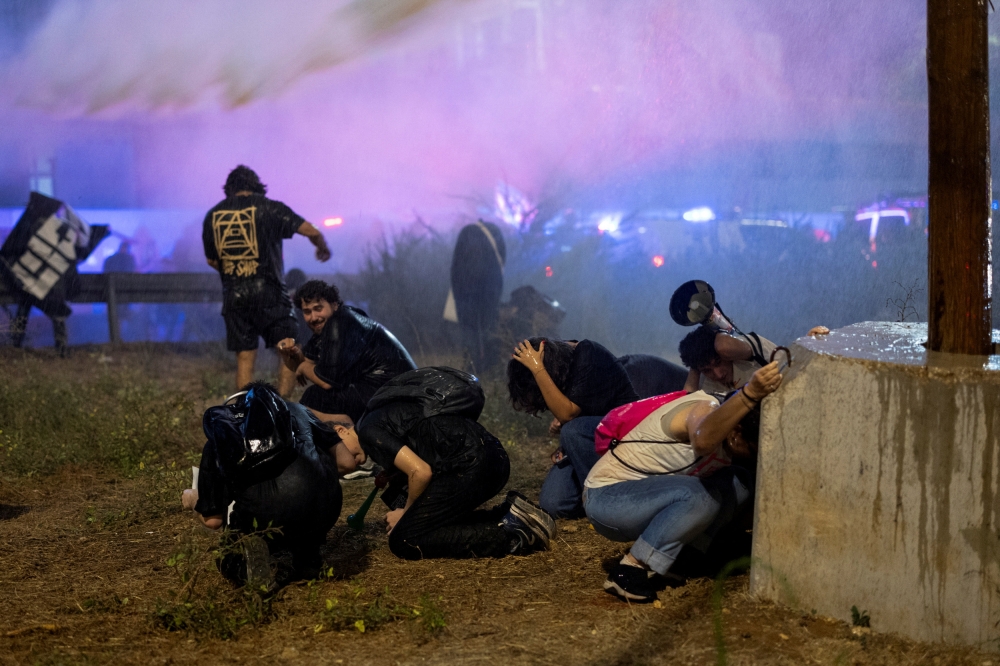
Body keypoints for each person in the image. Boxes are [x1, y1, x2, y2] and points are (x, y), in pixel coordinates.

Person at [584, 361, 784, 603]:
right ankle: (629, 569)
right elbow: (702, 441)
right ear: (736, 433)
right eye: (751, 448)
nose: (754, 455)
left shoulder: (732, 427)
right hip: (607, 499)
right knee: (699, 496)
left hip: (649, 498)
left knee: (740, 482)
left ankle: (685, 558)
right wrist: (750, 393)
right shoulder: (703, 408)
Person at [330, 366, 556, 560]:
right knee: (418, 514)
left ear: (340, 430)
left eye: (334, 454)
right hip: (490, 457)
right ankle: (507, 514)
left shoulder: (368, 430)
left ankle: (512, 535)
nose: (340, 466)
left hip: (470, 464)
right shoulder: (378, 417)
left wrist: (405, 515)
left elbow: (420, 472)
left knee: (405, 539)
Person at [181, 382, 359, 586]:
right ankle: (308, 556)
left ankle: (246, 564)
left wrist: (194, 499)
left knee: (228, 557)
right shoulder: (301, 411)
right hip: (325, 513)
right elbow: (346, 463)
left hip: (267, 516)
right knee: (304, 502)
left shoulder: (223, 431)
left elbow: (213, 521)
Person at [202, 165, 331, 396]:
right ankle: (280, 406)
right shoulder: (269, 208)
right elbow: (310, 230)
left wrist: (234, 268)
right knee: (289, 349)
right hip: (270, 294)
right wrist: (321, 246)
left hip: (235, 297)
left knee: (244, 358)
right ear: (256, 187)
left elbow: (212, 260)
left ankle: (249, 416)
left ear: (230, 190)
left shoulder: (213, 216)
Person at [507, 337, 639, 519]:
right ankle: (592, 490)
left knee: (573, 430)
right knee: (553, 504)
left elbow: (567, 414)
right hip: (594, 445)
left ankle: (608, 500)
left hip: (625, 435)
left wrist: (537, 368)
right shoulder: (566, 368)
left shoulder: (588, 353)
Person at [274, 279, 417, 425]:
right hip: (393, 393)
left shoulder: (338, 323)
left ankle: (349, 436)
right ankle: (347, 432)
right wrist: (288, 353)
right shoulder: (328, 325)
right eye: (307, 312)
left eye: (318, 308)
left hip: (394, 396)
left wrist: (303, 368)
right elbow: (304, 362)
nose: (313, 317)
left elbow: (326, 381)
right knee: (316, 398)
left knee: (316, 398)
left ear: (334, 305)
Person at [679, 324, 828, 394]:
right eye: (707, 370)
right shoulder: (706, 380)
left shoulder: (748, 347)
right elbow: (686, 402)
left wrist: (717, 327)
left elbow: (723, 346)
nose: (718, 374)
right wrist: (695, 366)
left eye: (718, 362)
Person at [450, 221, 506, 374]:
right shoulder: (494, 235)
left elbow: (455, 269)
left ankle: (471, 367)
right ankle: (490, 365)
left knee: (469, 331)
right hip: (488, 290)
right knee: (489, 327)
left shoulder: (466, 234)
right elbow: (500, 264)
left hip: (464, 289)